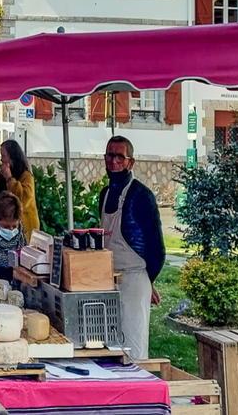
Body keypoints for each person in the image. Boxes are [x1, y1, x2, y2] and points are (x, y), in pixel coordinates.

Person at [99, 136, 165, 360]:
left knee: (133, 347)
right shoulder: (105, 194)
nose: (114, 161)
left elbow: (157, 249)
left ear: (130, 162)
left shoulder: (141, 196)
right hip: (108, 278)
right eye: (110, 155)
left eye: (120, 156)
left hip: (134, 278)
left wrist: (148, 281)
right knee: (110, 343)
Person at [0, 140, 40, 240]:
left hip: (23, 232)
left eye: (4, 156)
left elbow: (23, 200)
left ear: (13, 158)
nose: (2, 160)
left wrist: (9, 178)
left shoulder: (26, 176)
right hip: (3, 229)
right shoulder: (1, 176)